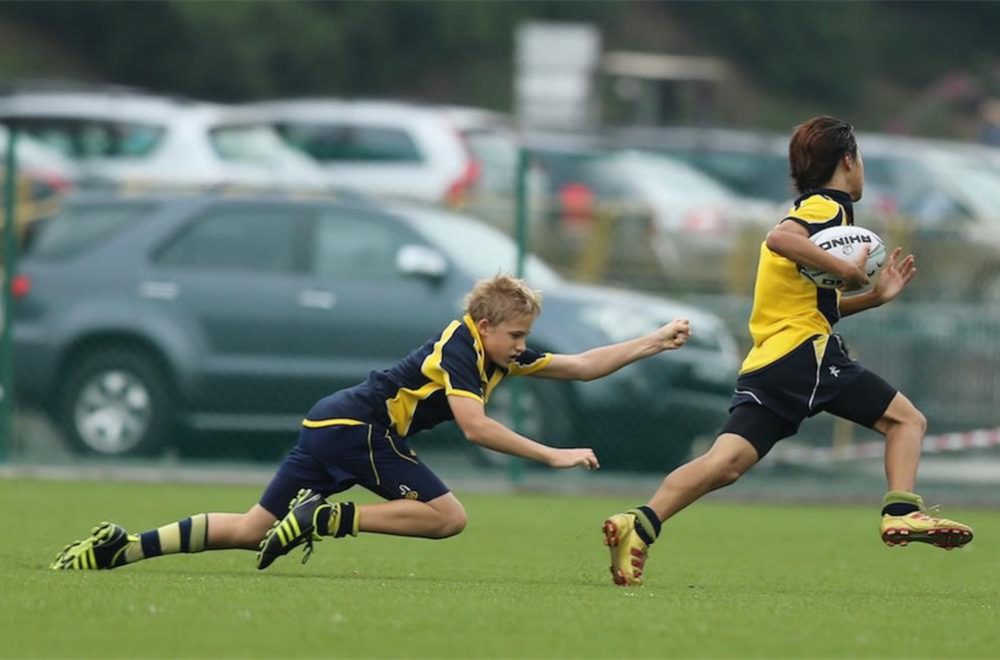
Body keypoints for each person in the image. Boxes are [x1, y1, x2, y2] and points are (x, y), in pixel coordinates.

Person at [51, 274, 692, 571]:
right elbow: (476, 429)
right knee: (448, 518)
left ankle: (121, 548)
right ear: (486, 325)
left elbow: (581, 365)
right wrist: (552, 454)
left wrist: (653, 341)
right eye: (517, 334)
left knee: (251, 529)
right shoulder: (462, 351)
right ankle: (325, 518)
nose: (524, 345)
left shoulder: (498, 351)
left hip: (329, 425)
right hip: (359, 430)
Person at [601, 116, 974, 587]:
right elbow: (780, 238)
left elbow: (812, 304)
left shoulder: (816, 210)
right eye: (860, 162)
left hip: (770, 361)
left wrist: (872, 297)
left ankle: (640, 523)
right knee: (907, 421)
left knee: (725, 464)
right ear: (848, 161)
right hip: (803, 353)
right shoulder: (828, 209)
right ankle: (902, 510)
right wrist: (849, 270)